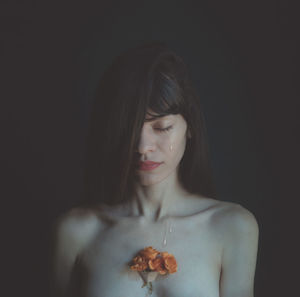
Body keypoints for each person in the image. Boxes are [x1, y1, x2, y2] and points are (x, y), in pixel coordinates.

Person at [50, 42, 259, 297]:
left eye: (161, 128)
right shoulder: (78, 231)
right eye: (129, 130)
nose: (142, 147)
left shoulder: (232, 226)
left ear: (189, 127)